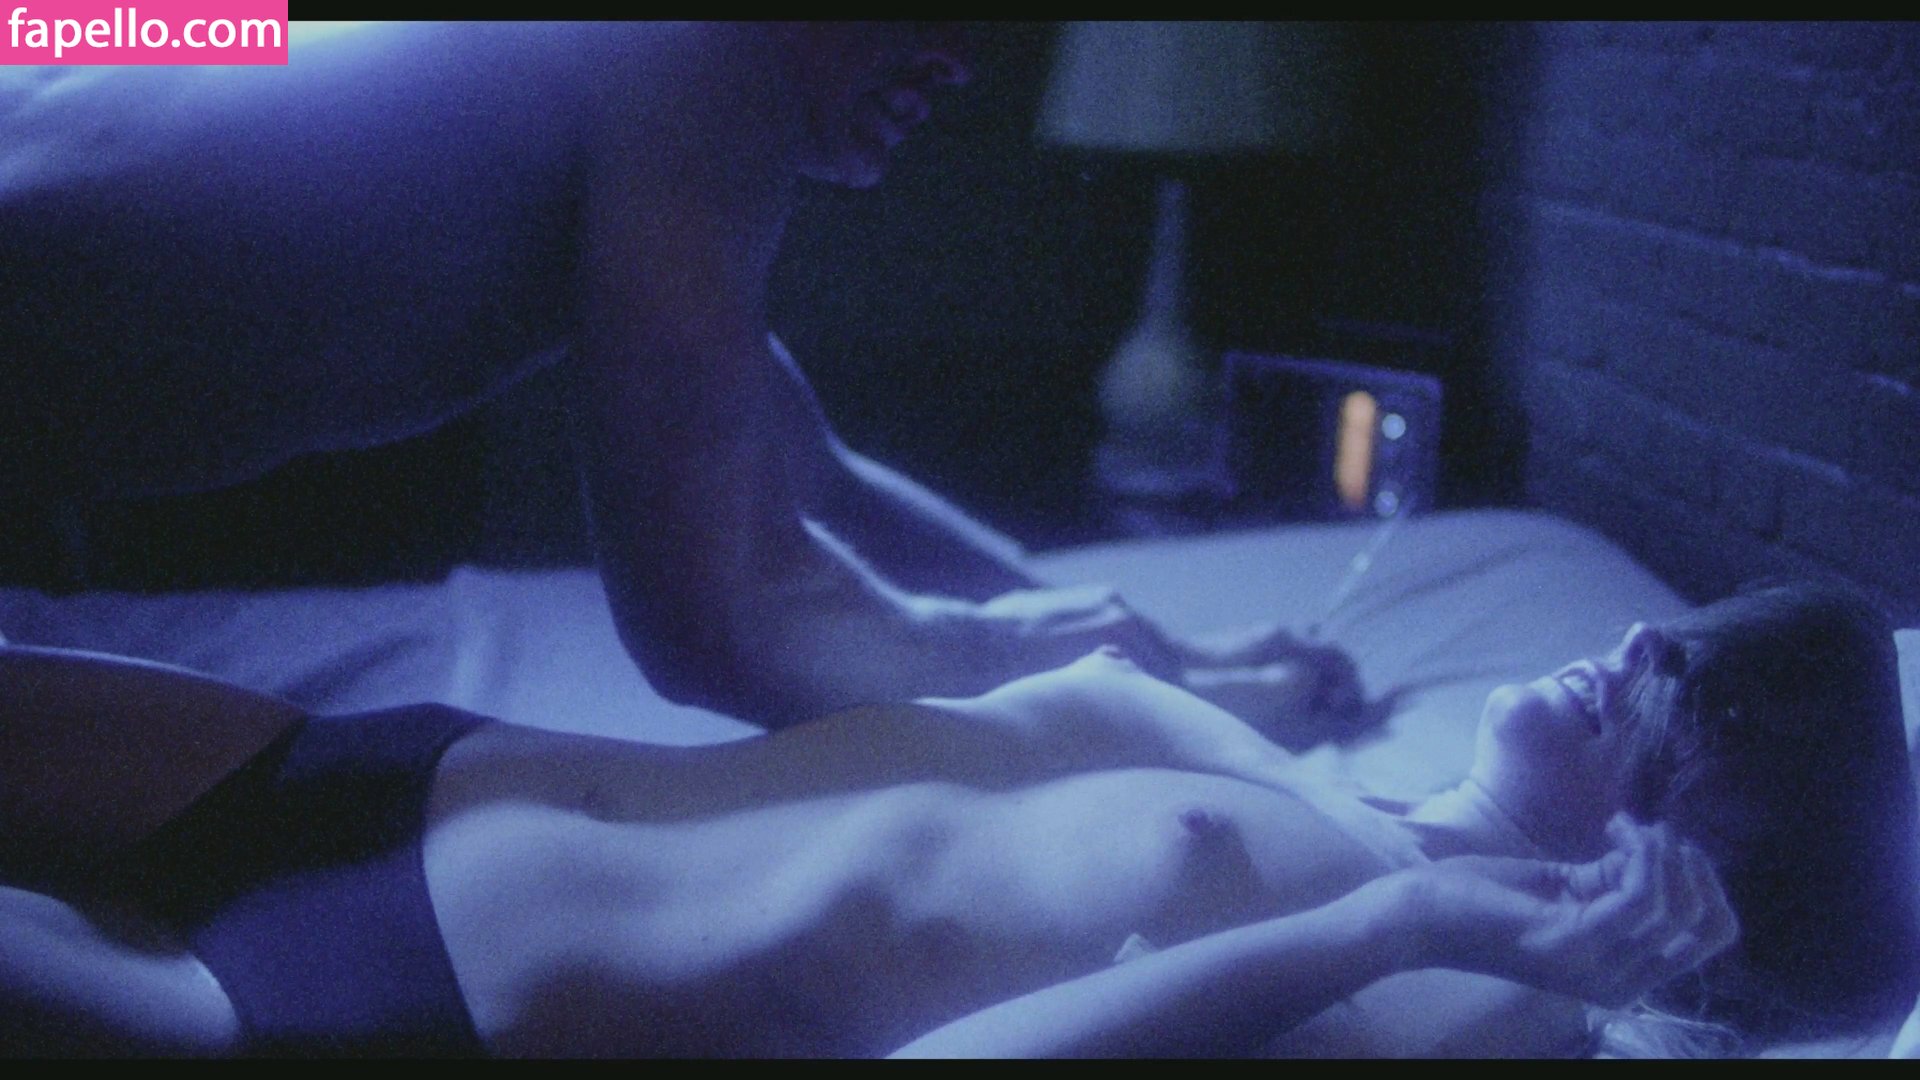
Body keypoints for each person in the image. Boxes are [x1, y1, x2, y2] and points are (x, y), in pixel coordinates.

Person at [0, 21, 1360, 733]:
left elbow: (817, 483)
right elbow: (720, 630)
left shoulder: (619, 91)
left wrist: (1152, 642)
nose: (961, 52)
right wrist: (1081, 674)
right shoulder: (702, 55)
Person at [3, 579, 1913, 1056]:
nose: (1644, 642)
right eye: (1687, 636)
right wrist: (1228, 676)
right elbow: (992, 694)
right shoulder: (1335, 805)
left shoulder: (1468, 1001)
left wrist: (1393, 926)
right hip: (389, 772)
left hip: (395, 997)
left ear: (1732, 881)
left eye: (1712, 705)